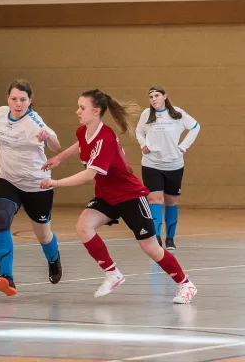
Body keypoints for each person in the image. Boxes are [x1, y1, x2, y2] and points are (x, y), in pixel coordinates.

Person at [40, 89, 197, 304]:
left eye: (82, 108)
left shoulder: (105, 138)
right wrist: (59, 157)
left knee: (150, 247)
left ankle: (186, 284)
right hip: (107, 196)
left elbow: (89, 174)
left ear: (96, 111)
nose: (77, 111)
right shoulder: (84, 131)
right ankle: (113, 273)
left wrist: (56, 182)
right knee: (84, 226)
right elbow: (81, 145)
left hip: (130, 196)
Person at [0, 79, 63, 296]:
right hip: (8, 180)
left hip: (36, 185)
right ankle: (6, 277)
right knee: (1, 219)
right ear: (8, 99)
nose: (18, 103)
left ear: (30, 102)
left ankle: (53, 258)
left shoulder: (35, 123)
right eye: (14, 99)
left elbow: (57, 147)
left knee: (43, 235)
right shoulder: (2, 112)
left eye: (23, 100)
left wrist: (48, 137)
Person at [136, 86, 200, 251]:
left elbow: (195, 127)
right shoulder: (146, 114)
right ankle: (156, 237)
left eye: (157, 95)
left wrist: (183, 146)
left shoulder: (177, 114)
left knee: (171, 201)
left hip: (174, 165)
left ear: (165, 96)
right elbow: (139, 131)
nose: (154, 99)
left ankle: (170, 238)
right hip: (151, 164)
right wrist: (143, 145)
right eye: (150, 97)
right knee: (155, 199)